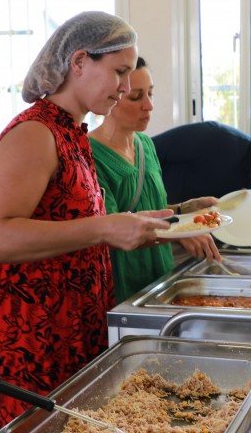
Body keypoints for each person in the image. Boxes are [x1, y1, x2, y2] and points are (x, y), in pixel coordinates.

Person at [0, 12, 174, 433]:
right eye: (120, 72)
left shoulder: (71, 131)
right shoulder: (34, 133)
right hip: (25, 339)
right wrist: (105, 227)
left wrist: (138, 224)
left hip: (65, 331)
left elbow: (69, 225)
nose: (126, 88)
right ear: (78, 63)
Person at [89, 56, 221, 303]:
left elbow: (142, 210)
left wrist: (183, 210)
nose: (148, 105)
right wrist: (179, 230)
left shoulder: (145, 146)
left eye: (151, 94)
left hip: (159, 281)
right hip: (121, 288)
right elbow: (111, 230)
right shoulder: (91, 155)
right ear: (110, 99)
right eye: (136, 97)